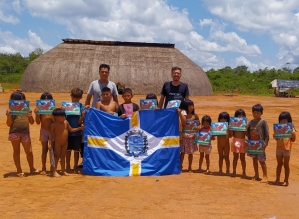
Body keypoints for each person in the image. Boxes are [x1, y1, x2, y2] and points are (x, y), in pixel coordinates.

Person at [6, 91, 39, 177]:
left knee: (29, 152)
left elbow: (32, 122)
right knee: (16, 151)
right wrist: (9, 115)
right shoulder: (11, 110)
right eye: (21, 100)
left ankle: (32, 168)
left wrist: (30, 115)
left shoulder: (27, 109)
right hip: (14, 132)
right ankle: (19, 170)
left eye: (23, 100)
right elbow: (9, 124)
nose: (23, 102)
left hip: (25, 133)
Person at [49, 108, 83, 177]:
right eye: (62, 116)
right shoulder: (54, 124)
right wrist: (50, 143)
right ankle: (54, 171)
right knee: (57, 156)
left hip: (65, 142)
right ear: (56, 117)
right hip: (57, 143)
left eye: (64, 116)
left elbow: (71, 130)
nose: (64, 117)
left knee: (63, 156)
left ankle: (63, 170)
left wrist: (80, 128)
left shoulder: (66, 122)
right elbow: (50, 134)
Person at [247, 104, 269, 182]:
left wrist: (265, 143)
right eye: (254, 112)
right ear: (252, 113)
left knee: (262, 161)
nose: (255, 114)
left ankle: (265, 176)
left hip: (260, 145)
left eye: (258, 113)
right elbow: (248, 133)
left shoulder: (263, 121)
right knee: (254, 160)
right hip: (252, 145)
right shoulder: (250, 122)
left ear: (261, 113)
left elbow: (267, 134)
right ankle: (256, 174)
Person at [34, 92, 55, 175]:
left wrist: (56, 111)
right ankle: (43, 167)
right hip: (44, 131)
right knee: (44, 149)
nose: (46, 101)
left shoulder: (53, 109)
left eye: (48, 100)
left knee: (52, 149)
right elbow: (38, 122)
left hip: (52, 132)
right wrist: (36, 114)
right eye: (44, 100)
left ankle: (52, 167)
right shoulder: (40, 110)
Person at [274, 112, 296, 186]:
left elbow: (293, 140)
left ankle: (286, 180)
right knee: (279, 164)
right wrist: (275, 136)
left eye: (285, 120)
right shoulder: (278, 127)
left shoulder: (291, 128)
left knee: (286, 165)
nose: (283, 121)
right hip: (279, 148)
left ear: (288, 120)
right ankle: (277, 179)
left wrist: (294, 135)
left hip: (287, 148)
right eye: (281, 120)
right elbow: (277, 139)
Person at [65, 88, 84, 174]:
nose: (75, 100)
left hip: (77, 132)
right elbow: (64, 119)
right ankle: (67, 166)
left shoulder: (82, 107)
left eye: (77, 98)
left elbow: (80, 121)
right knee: (68, 151)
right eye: (74, 97)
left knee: (76, 151)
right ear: (71, 96)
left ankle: (75, 166)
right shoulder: (66, 106)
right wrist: (62, 110)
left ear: (80, 97)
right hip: (67, 133)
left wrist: (83, 115)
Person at [178, 100, 199, 172]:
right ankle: (180, 166)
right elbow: (183, 123)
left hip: (192, 137)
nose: (191, 107)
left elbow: (199, 124)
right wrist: (180, 113)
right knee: (182, 152)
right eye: (190, 106)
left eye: (192, 105)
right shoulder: (183, 115)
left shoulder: (195, 116)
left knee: (191, 153)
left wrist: (198, 128)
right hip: (184, 136)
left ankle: (190, 167)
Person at [230, 109, 247, 178]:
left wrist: (246, 128)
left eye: (242, 115)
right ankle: (234, 171)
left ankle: (244, 172)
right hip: (235, 141)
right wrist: (230, 129)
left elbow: (246, 134)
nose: (241, 117)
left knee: (243, 158)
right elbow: (231, 135)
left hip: (243, 141)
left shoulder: (245, 124)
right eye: (239, 115)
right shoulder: (234, 124)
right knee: (235, 158)